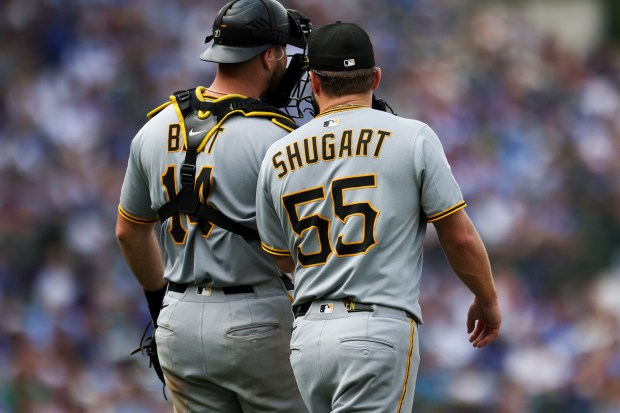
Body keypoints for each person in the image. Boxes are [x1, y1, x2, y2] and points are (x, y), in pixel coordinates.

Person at [255, 21, 502, 412]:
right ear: (376, 77)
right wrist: (486, 298)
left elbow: (283, 256)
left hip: (309, 338)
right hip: (375, 329)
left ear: (314, 82)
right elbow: (458, 238)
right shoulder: (412, 136)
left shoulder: (277, 154)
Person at [115, 0, 311, 411]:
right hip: (257, 315)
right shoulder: (278, 139)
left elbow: (129, 231)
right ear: (269, 55)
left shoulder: (153, 128)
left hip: (177, 319)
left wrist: (160, 301)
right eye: (284, 54)